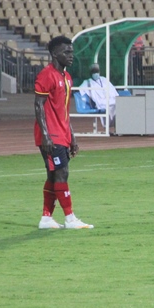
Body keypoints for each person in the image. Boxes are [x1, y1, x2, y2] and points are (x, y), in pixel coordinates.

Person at [34, 36, 93, 230]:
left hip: (62, 133)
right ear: (54, 54)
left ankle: (46, 218)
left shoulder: (66, 77)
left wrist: (72, 137)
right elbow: (38, 105)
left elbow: (64, 111)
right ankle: (70, 218)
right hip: (51, 135)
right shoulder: (46, 75)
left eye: (72, 52)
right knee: (62, 173)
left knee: (53, 175)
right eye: (66, 52)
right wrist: (45, 135)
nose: (71, 55)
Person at [79, 63, 118, 129]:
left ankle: (118, 124)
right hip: (100, 102)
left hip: (110, 99)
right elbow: (81, 89)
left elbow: (112, 90)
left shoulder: (104, 79)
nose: (96, 74)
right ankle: (108, 124)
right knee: (109, 105)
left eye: (97, 72)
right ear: (91, 73)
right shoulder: (87, 82)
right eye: (94, 72)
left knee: (117, 104)